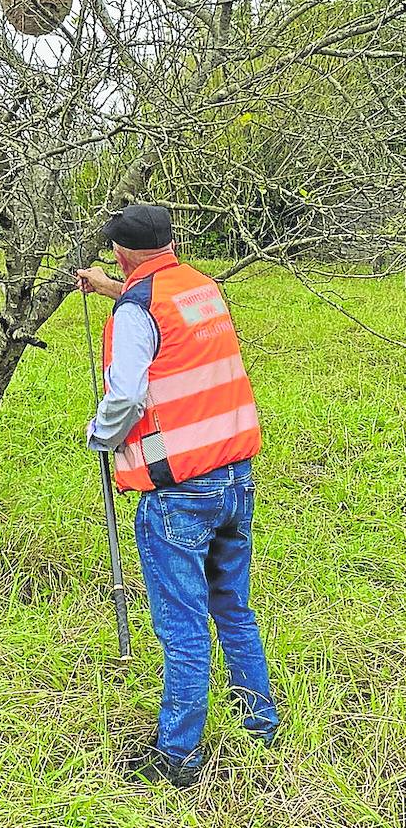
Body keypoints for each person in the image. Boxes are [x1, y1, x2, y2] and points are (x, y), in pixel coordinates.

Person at [77, 203, 278, 789]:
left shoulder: (137, 312)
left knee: (183, 626)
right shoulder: (198, 286)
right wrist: (111, 289)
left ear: (121, 250)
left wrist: (99, 437)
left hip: (179, 489)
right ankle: (258, 724)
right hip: (235, 476)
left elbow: (127, 396)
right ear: (168, 242)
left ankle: (179, 756)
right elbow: (159, 314)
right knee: (232, 608)